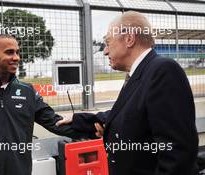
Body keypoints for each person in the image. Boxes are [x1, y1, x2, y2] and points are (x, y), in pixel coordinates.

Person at [57, 11, 198, 175]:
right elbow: (130, 115)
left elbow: (177, 155)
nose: (105, 51)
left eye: (108, 42)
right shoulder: (142, 73)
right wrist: (79, 119)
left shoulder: (163, 71)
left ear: (129, 39)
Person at [0, 34, 89, 175]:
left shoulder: (28, 91)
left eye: (18, 52)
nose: (16, 58)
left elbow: (54, 122)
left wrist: (93, 127)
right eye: (9, 52)